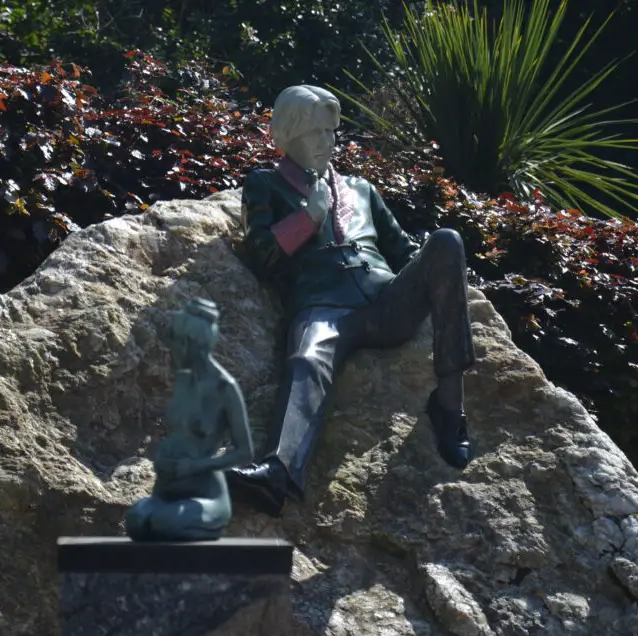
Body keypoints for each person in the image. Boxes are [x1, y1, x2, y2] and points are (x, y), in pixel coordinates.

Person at [226, 85, 476, 517]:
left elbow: (403, 251)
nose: (328, 143)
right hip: (324, 307)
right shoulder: (264, 184)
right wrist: (310, 217)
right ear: (288, 136)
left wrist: (440, 270)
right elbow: (262, 255)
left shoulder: (361, 188)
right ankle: (278, 471)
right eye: (315, 134)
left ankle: (450, 407)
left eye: (331, 133)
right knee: (308, 356)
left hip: (384, 301)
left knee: (447, 241)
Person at [125, 298, 254, 540]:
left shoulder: (225, 388)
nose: (170, 348)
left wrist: (195, 466)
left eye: (174, 341)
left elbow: (245, 451)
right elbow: (179, 433)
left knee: (164, 523)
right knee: (136, 520)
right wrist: (162, 456)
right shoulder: (184, 380)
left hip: (205, 495)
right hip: (166, 491)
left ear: (188, 344)